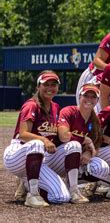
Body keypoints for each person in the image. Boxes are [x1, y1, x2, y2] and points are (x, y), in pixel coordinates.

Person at [4, 71, 70, 207]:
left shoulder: (56, 107)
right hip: (17, 154)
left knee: (61, 197)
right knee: (37, 144)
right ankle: (32, 195)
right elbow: (23, 134)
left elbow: (55, 136)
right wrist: (44, 140)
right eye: (46, 84)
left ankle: (27, 182)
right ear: (38, 86)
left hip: (37, 159)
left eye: (53, 84)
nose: (50, 88)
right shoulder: (31, 105)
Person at [46, 84, 110, 204]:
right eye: (86, 95)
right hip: (54, 158)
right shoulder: (69, 111)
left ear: (97, 100)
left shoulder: (94, 120)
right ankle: (73, 190)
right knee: (74, 145)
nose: (89, 99)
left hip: (74, 159)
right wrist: (85, 140)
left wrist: (88, 153)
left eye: (93, 97)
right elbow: (64, 136)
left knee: (102, 168)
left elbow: (95, 145)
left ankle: (75, 185)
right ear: (79, 96)